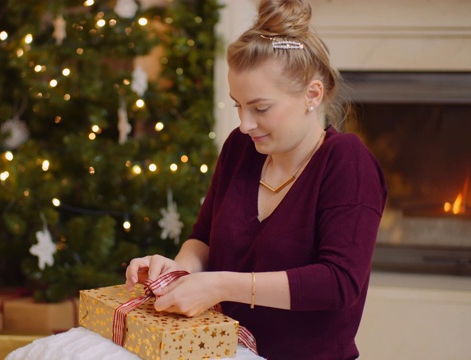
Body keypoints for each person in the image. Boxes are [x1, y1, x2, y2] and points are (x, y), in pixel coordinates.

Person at [125, 0, 388, 359]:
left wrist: (219, 285)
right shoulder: (240, 148)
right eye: (238, 106)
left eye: (260, 108)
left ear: (313, 94)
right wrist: (178, 271)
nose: (245, 124)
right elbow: (202, 238)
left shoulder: (347, 162)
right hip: (220, 350)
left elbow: (339, 282)